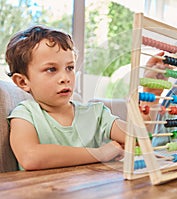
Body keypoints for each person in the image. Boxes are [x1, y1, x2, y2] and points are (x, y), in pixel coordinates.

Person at [5, 25, 127, 171]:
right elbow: (30, 157)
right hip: (43, 191)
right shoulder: (25, 115)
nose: (65, 78)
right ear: (23, 82)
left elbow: (137, 137)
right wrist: (99, 154)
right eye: (51, 69)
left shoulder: (96, 113)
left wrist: (146, 106)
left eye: (69, 68)